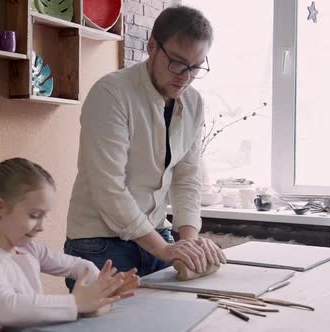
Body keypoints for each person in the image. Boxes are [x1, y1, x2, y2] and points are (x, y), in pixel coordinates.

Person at [64, 5, 226, 290]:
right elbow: (108, 188)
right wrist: (164, 249)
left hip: (156, 235)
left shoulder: (194, 103)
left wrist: (188, 244)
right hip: (100, 243)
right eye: (177, 62)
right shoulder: (111, 93)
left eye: (196, 66)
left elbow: (187, 178)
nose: (185, 77)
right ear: (152, 47)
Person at [0, 158, 139, 331]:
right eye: (34, 215)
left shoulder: (28, 249)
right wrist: (75, 303)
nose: (41, 227)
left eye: (44, 216)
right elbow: (6, 309)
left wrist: (101, 289)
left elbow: (78, 266)